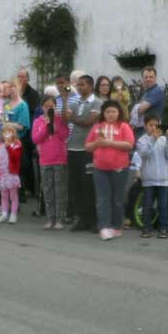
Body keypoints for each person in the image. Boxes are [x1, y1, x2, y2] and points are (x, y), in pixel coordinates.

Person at [86, 98, 135, 240]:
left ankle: (117, 226)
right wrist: (97, 143)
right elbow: (88, 146)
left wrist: (109, 143)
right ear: (104, 113)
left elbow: (129, 145)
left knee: (118, 199)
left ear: (119, 112)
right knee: (102, 198)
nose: (111, 114)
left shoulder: (124, 126)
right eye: (108, 111)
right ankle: (104, 226)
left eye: (113, 111)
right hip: (100, 168)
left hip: (120, 167)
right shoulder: (97, 127)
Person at [64, 74, 102, 232]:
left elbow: (89, 122)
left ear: (90, 86)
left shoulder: (97, 102)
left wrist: (73, 118)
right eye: (78, 85)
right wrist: (66, 99)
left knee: (89, 186)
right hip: (73, 148)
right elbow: (65, 118)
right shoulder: (75, 102)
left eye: (82, 85)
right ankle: (82, 219)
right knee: (75, 185)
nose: (79, 87)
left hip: (88, 149)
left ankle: (93, 220)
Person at [32, 89, 69, 229]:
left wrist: (55, 125)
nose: (49, 109)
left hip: (59, 159)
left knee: (60, 190)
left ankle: (60, 219)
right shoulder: (38, 121)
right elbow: (35, 138)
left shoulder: (60, 120)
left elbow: (65, 135)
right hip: (45, 160)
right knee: (47, 190)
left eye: (51, 106)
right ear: (42, 108)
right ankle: (50, 218)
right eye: (46, 106)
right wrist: (45, 127)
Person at [137, 115, 168, 239]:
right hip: (149, 179)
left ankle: (163, 228)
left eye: (156, 125)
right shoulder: (142, 140)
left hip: (163, 179)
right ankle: (146, 228)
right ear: (145, 126)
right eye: (151, 125)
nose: (154, 128)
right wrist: (153, 139)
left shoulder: (164, 140)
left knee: (163, 205)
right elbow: (144, 153)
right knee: (147, 204)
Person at [0, 121, 23, 224]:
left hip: (12, 175)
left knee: (13, 196)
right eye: (5, 132)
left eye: (9, 132)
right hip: (2, 175)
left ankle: (13, 215)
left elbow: (16, 158)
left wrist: (9, 146)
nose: (7, 134)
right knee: (4, 196)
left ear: (13, 133)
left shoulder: (16, 145)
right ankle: (4, 214)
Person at [129, 66, 164, 133]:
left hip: (150, 131)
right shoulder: (147, 91)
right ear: (143, 78)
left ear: (155, 78)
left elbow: (140, 109)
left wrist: (135, 108)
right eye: (146, 77)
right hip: (143, 129)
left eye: (151, 77)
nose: (148, 79)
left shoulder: (156, 91)